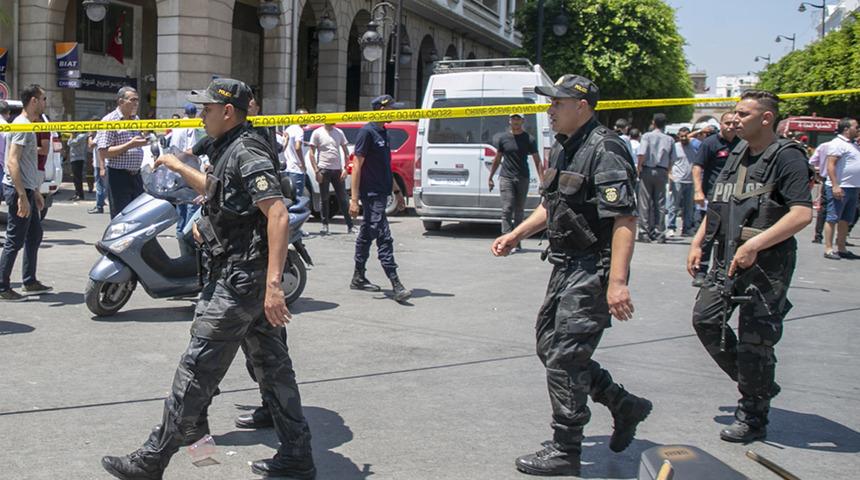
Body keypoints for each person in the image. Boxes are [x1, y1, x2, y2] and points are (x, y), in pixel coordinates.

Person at [101, 78, 316, 480]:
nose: (201, 115)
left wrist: (273, 286)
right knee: (273, 367)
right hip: (239, 275)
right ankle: (298, 455)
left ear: (228, 112)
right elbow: (222, 193)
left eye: (206, 110)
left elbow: (278, 213)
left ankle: (152, 459)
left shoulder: (248, 150)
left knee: (196, 368)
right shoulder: (225, 145)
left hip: (241, 281)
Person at [492, 74, 650, 477]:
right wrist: (516, 233)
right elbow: (553, 205)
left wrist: (617, 282)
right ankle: (622, 403)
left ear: (581, 106)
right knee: (551, 348)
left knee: (564, 357)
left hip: (592, 268)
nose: (550, 110)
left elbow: (625, 218)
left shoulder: (606, 148)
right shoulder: (565, 147)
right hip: (564, 266)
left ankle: (567, 447)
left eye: (557, 104)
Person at [687, 90, 812, 443]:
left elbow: (802, 213)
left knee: (756, 341)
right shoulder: (737, 153)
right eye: (735, 114)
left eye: (743, 114)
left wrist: (755, 244)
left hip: (765, 265)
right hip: (726, 257)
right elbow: (720, 204)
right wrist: (698, 242)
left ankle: (753, 414)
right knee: (706, 320)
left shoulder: (787, 157)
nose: (735, 119)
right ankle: (758, 383)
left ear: (766, 118)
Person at [349, 95, 412, 303]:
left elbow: (386, 167)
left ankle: (358, 276)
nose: (394, 112)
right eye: (391, 108)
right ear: (380, 109)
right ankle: (396, 283)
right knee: (384, 236)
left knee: (367, 233)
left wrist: (396, 192)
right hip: (371, 195)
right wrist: (354, 198)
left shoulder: (384, 131)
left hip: (383, 193)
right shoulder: (367, 132)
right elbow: (356, 165)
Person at [0, 84, 53, 301]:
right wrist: (22, 195)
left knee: (34, 234)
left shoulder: (29, 124)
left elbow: (27, 162)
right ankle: (2, 286)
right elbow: (13, 162)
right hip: (17, 190)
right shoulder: (22, 125)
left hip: (28, 189)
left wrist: (35, 192)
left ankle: (29, 281)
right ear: (33, 101)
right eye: (43, 99)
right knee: (15, 239)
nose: (44, 103)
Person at [691, 111, 740, 286]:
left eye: (735, 123)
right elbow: (697, 168)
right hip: (713, 197)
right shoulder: (710, 143)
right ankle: (700, 271)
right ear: (721, 124)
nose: (731, 126)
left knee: (732, 236)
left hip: (736, 197)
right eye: (727, 123)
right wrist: (698, 191)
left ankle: (726, 271)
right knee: (707, 236)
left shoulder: (742, 144)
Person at [488, 113, 543, 250]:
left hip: (522, 177)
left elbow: (537, 160)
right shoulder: (503, 138)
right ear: (509, 121)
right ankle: (506, 240)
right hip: (506, 177)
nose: (516, 121)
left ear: (523, 121)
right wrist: (491, 177)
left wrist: (543, 180)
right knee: (507, 208)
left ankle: (516, 241)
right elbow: (497, 158)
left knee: (519, 211)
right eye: (513, 119)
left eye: (518, 119)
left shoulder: (529, 139)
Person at [96, 86, 149, 218]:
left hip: (136, 176)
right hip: (118, 176)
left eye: (137, 100)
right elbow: (104, 152)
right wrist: (130, 144)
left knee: (137, 216)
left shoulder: (135, 119)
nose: (136, 103)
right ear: (121, 102)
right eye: (132, 100)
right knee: (121, 217)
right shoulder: (109, 121)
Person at [822, 117, 860, 259]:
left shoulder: (853, 144)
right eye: (856, 127)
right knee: (833, 218)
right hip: (840, 186)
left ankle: (842, 247)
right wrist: (835, 185)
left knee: (846, 219)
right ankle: (828, 248)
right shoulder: (837, 144)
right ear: (846, 129)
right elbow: (831, 165)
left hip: (853, 187)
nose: (858, 129)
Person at [309, 123, 356, 234]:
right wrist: (316, 171)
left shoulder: (339, 132)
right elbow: (312, 153)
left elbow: (345, 151)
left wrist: (345, 168)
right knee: (324, 199)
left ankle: (350, 225)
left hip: (337, 170)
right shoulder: (317, 132)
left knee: (343, 198)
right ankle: (325, 225)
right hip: (323, 168)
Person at [636, 113, 676, 243]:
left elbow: (641, 153)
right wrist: (668, 170)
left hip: (647, 169)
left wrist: (639, 168)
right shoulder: (669, 139)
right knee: (660, 203)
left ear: (653, 122)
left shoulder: (647, 136)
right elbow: (673, 158)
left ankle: (644, 232)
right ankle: (659, 232)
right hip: (662, 171)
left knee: (644, 202)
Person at [667, 127, 696, 237]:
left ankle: (687, 228)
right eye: (681, 136)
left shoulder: (694, 147)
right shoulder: (675, 147)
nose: (684, 138)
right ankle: (671, 227)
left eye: (686, 135)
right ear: (678, 136)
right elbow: (670, 162)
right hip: (678, 179)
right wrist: (670, 175)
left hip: (690, 180)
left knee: (689, 207)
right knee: (674, 205)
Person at [281, 108, 308, 199]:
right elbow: (297, 147)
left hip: (287, 168)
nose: (307, 119)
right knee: (297, 197)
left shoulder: (289, 129)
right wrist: (302, 164)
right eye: (305, 117)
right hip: (297, 168)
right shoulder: (299, 130)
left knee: (289, 197)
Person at [67, 130, 91, 200]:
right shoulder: (76, 136)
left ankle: (80, 195)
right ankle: (77, 193)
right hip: (73, 158)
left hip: (78, 158)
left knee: (78, 178)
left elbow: (71, 143)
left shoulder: (81, 136)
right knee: (75, 178)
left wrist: (71, 136)